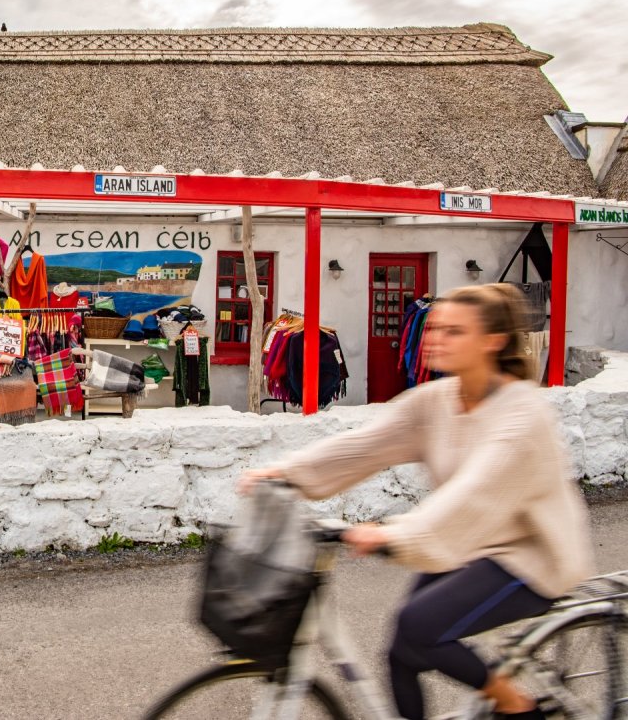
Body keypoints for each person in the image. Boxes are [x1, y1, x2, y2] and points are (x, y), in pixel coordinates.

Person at [241, 283, 594, 720]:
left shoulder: (521, 414)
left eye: (453, 331)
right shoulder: (437, 400)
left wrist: (394, 534)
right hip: (469, 542)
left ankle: (520, 708)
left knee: (420, 627)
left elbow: (475, 495)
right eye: (434, 328)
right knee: (402, 651)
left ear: (492, 341)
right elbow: (365, 445)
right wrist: (286, 473)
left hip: (531, 553)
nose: (433, 338)